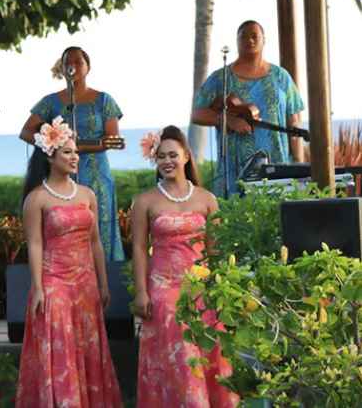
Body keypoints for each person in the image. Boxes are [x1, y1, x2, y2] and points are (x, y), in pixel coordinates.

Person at [16, 117, 122, 408]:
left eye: (76, 152)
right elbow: (35, 245)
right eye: (67, 152)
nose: (75, 157)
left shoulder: (87, 195)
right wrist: (37, 287)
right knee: (60, 351)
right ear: (50, 156)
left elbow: (95, 242)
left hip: (85, 284)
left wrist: (102, 282)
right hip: (55, 283)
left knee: (88, 349)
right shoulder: (36, 199)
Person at [131, 126, 239, 408]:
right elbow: (140, 249)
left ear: (187, 157)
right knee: (180, 358)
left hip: (202, 288)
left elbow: (217, 250)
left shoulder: (206, 199)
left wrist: (222, 290)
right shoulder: (144, 201)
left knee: (207, 354)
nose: (167, 161)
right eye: (161, 156)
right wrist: (141, 292)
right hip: (164, 289)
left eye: (172, 155)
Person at [20, 46, 126, 260]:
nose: (73, 66)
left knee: (99, 226)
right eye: (68, 62)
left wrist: (75, 145)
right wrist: (51, 143)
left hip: (97, 175)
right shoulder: (50, 101)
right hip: (60, 174)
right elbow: (25, 132)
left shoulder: (104, 100)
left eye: (79, 62)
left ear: (88, 67)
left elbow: (111, 140)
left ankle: (105, 279)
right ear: (62, 68)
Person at [191, 21, 304, 197]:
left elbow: (294, 120)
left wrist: (298, 164)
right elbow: (196, 114)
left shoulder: (281, 77)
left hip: (277, 167)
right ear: (236, 41)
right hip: (233, 171)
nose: (249, 40)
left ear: (264, 40)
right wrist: (227, 120)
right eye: (244, 36)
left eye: (254, 36)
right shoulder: (220, 78)